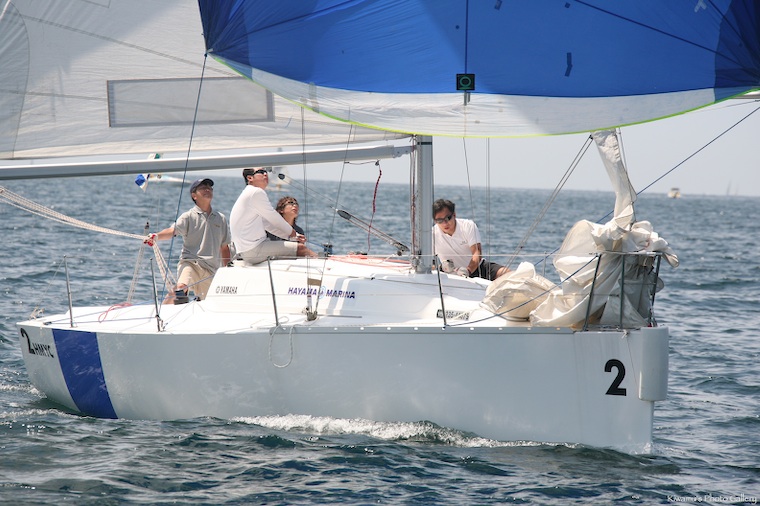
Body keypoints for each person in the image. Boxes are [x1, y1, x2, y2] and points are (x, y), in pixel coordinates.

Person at [147, 178, 231, 300]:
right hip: (191, 263)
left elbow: (224, 247)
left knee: (212, 301)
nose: (207, 189)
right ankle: (165, 310)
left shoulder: (221, 218)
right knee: (181, 287)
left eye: (209, 188)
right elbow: (172, 231)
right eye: (203, 188)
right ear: (194, 195)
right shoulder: (188, 216)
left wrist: (228, 271)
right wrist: (156, 236)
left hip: (211, 270)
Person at [229, 168, 315, 264]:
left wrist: (291, 237)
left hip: (246, 251)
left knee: (293, 249)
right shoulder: (256, 192)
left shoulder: (249, 193)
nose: (265, 174)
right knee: (301, 249)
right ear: (250, 178)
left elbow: (268, 224)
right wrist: (292, 232)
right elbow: (273, 217)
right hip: (253, 250)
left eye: (265, 172)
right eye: (261, 172)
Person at [432, 198, 509, 281]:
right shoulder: (432, 235)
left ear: (454, 215)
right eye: (439, 220)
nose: (445, 223)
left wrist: (467, 271)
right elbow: (428, 263)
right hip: (449, 275)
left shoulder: (468, 226)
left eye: (447, 218)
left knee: (508, 274)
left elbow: (477, 252)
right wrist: (439, 267)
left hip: (476, 268)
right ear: (435, 221)